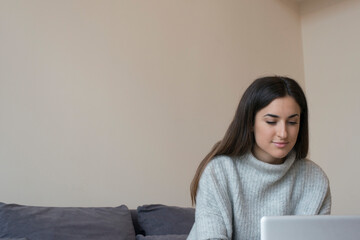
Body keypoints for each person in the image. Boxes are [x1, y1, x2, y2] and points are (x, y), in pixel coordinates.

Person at [187, 76, 331, 240]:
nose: (283, 133)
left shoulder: (314, 179)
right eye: (271, 121)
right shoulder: (219, 171)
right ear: (250, 122)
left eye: (292, 122)